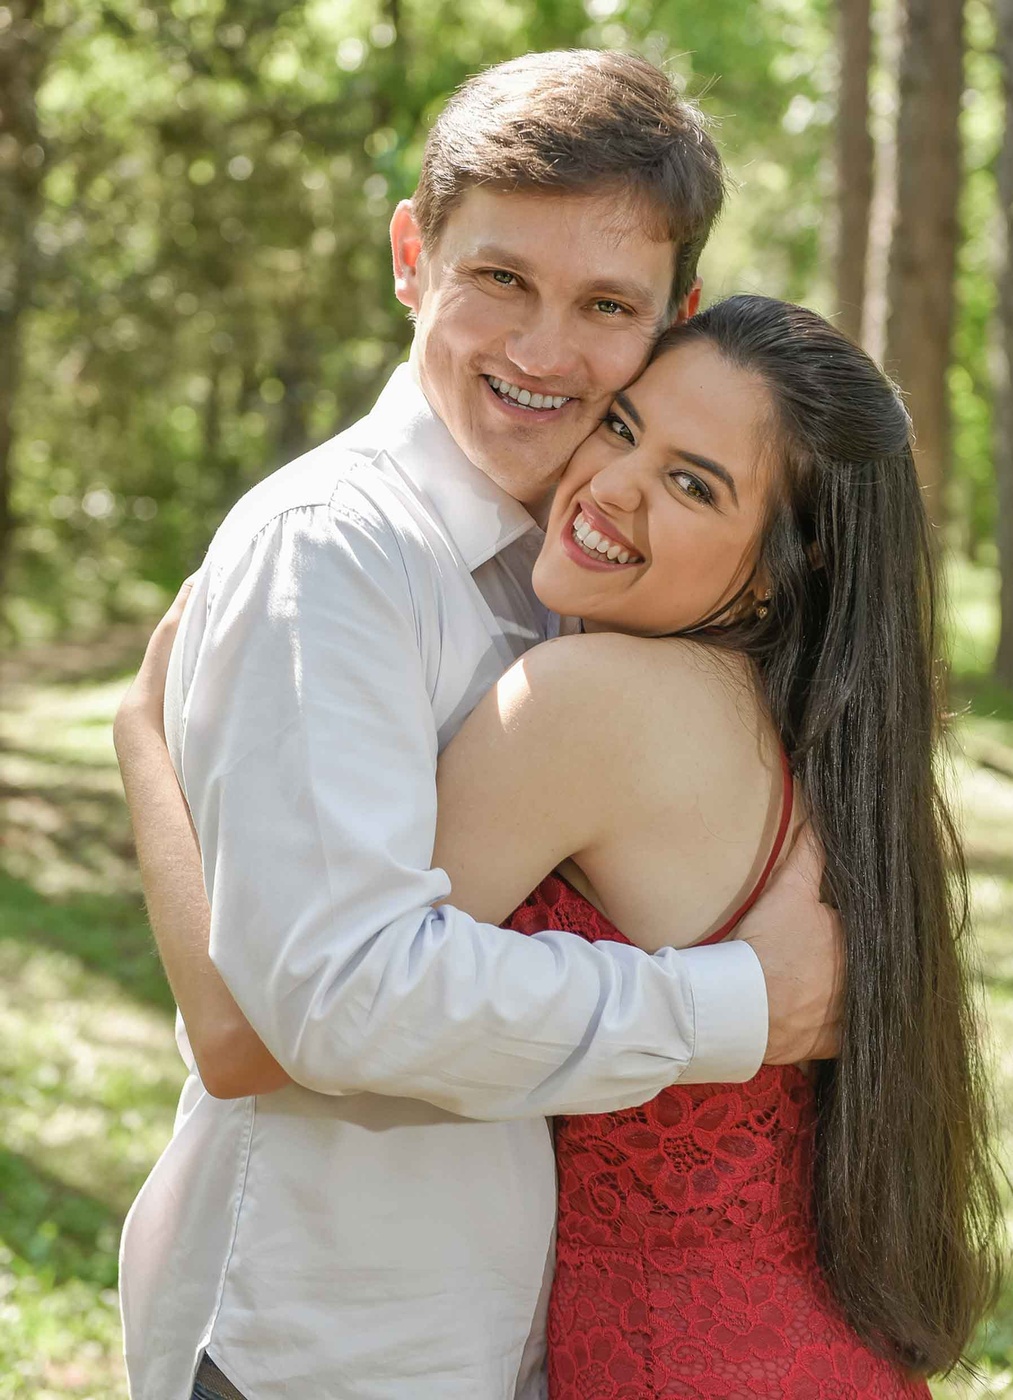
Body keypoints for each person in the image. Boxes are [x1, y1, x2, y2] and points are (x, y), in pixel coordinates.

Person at [113, 52, 842, 1400]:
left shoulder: (590, 563)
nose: (543, 352)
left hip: (515, 1342)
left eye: (605, 304)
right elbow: (331, 998)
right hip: (328, 1344)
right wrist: (735, 1003)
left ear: (672, 319)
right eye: (499, 277)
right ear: (412, 256)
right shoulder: (332, 553)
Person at [119, 297, 1001, 1397]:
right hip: (813, 1351)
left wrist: (143, 743)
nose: (613, 486)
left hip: (674, 1367)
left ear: (785, 564)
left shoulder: (585, 702)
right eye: (622, 427)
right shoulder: (816, 732)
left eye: (692, 484)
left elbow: (257, 1032)